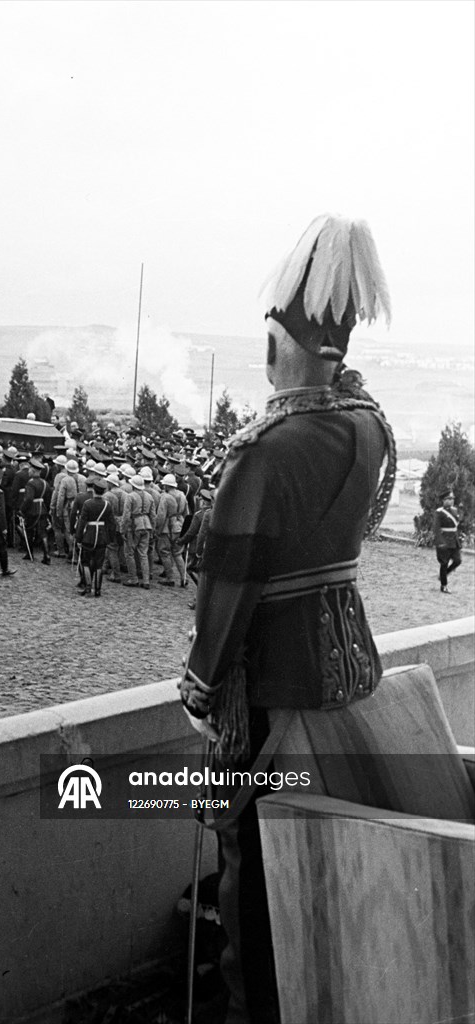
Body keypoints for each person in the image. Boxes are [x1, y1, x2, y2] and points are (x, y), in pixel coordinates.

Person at [179, 213, 396, 1024]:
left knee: (255, 886)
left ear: (281, 344)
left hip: (267, 691)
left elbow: (228, 586)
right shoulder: (367, 425)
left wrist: (201, 689)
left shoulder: (264, 451)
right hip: (343, 675)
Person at [434, 489, 462, 593]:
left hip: (454, 541)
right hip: (444, 541)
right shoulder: (439, 512)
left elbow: (457, 525)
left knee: (458, 561)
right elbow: (436, 529)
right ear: (443, 500)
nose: (452, 501)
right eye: (449, 499)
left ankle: (443, 575)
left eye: (453, 498)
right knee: (444, 563)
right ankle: (444, 585)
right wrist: (440, 542)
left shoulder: (455, 510)